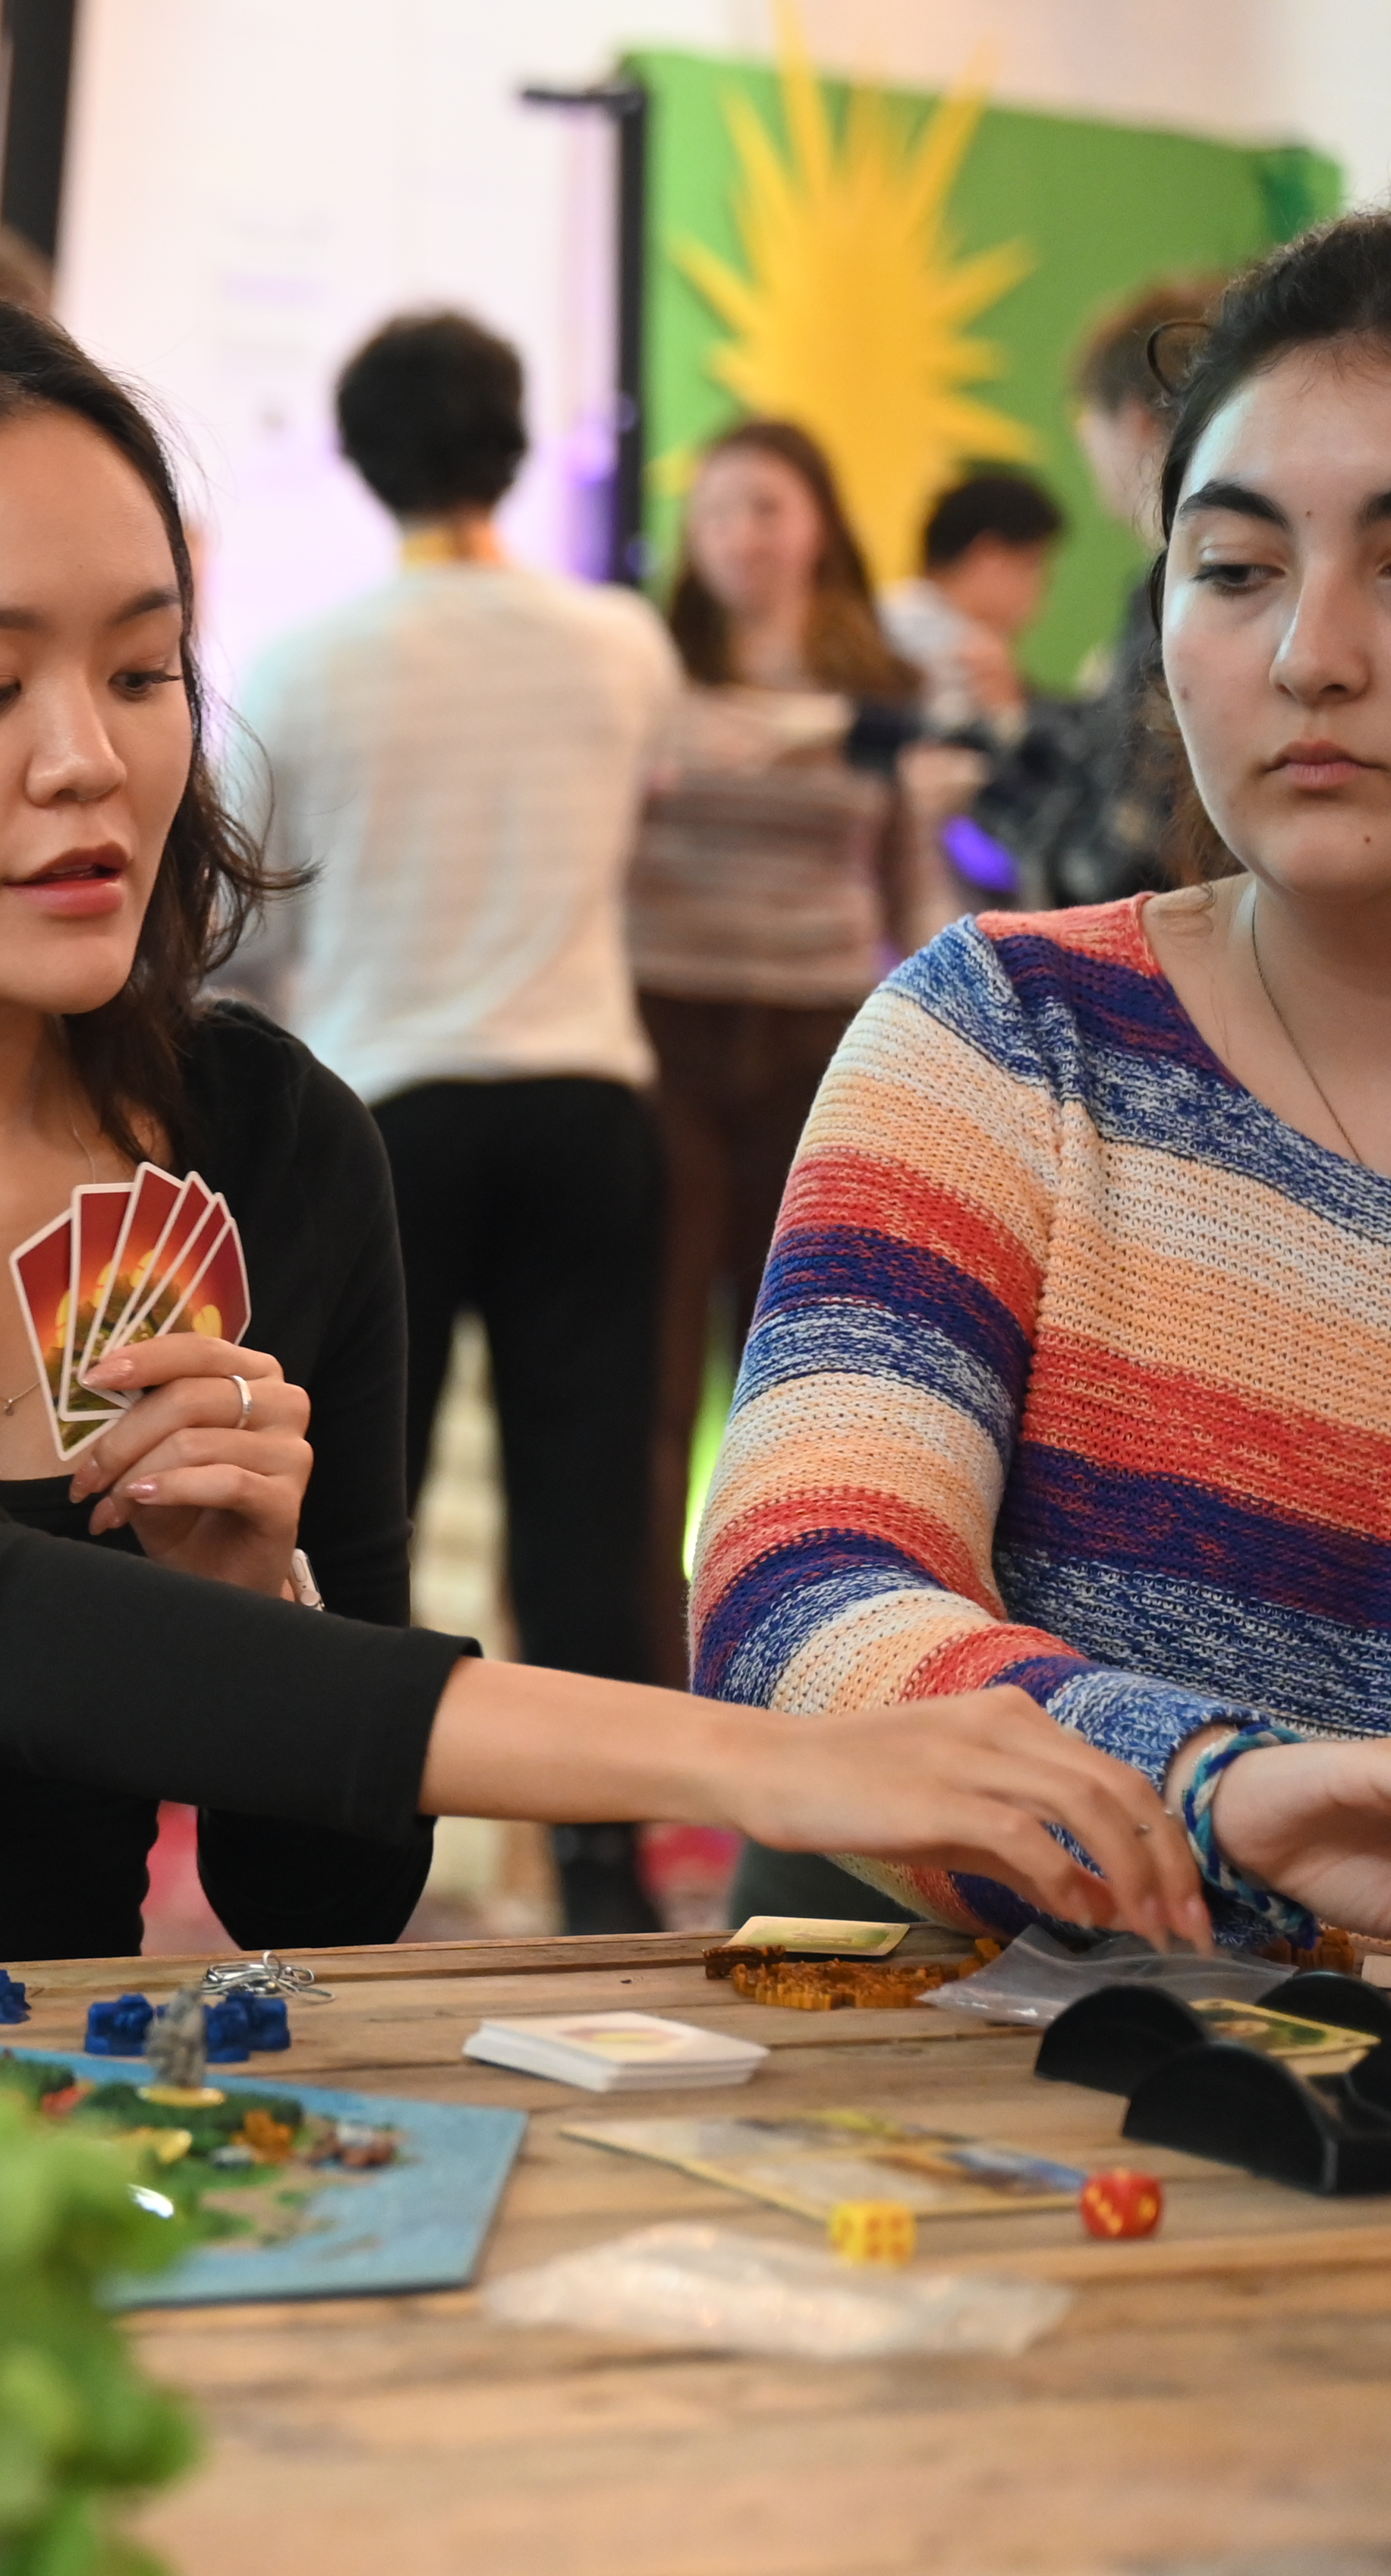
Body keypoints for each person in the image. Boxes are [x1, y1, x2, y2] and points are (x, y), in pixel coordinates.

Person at [0, 274, 1202, 1985]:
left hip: (50, 2159)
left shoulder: (268, 1140)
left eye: (144, 670)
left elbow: (321, 1900)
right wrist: (773, 1760)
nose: (87, 759)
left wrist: (269, 1588)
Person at [700, 213, 1391, 1952]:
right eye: (1233, 568)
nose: (1314, 652)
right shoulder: (1011, 1039)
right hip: (1033, 2124)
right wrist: (1205, 1789)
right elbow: (796, 1593)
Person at [220, 310, 684, 1932]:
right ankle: (614, 1870)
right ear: (514, 437)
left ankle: (356, 1860)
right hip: (586, 1099)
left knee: (367, 1511)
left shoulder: (300, 667)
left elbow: (247, 936)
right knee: (594, 1509)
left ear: (359, 459)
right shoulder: (623, 641)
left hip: (385, 1116)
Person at [628, 417, 926, 1682]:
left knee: (795, 1366)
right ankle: (648, 1679)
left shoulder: (881, 686)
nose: (741, 534)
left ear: (816, 521)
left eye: (765, 506)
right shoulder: (645, 668)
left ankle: (780, 1658)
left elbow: (910, 881)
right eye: (716, 513)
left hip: (823, 1037)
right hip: (660, 1030)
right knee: (649, 1369)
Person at [980, 273, 1231, 915]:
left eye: (1086, 421)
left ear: (1136, 419)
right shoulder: (1182, 582)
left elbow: (1111, 868)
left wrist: (986, 785)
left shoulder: (1173, 593)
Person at [882, 461, 1066, 745]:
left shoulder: (888, 616)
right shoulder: (938, 644)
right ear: (990, 558)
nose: (1039, 594)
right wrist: (1009, 714)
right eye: (1034, 566)